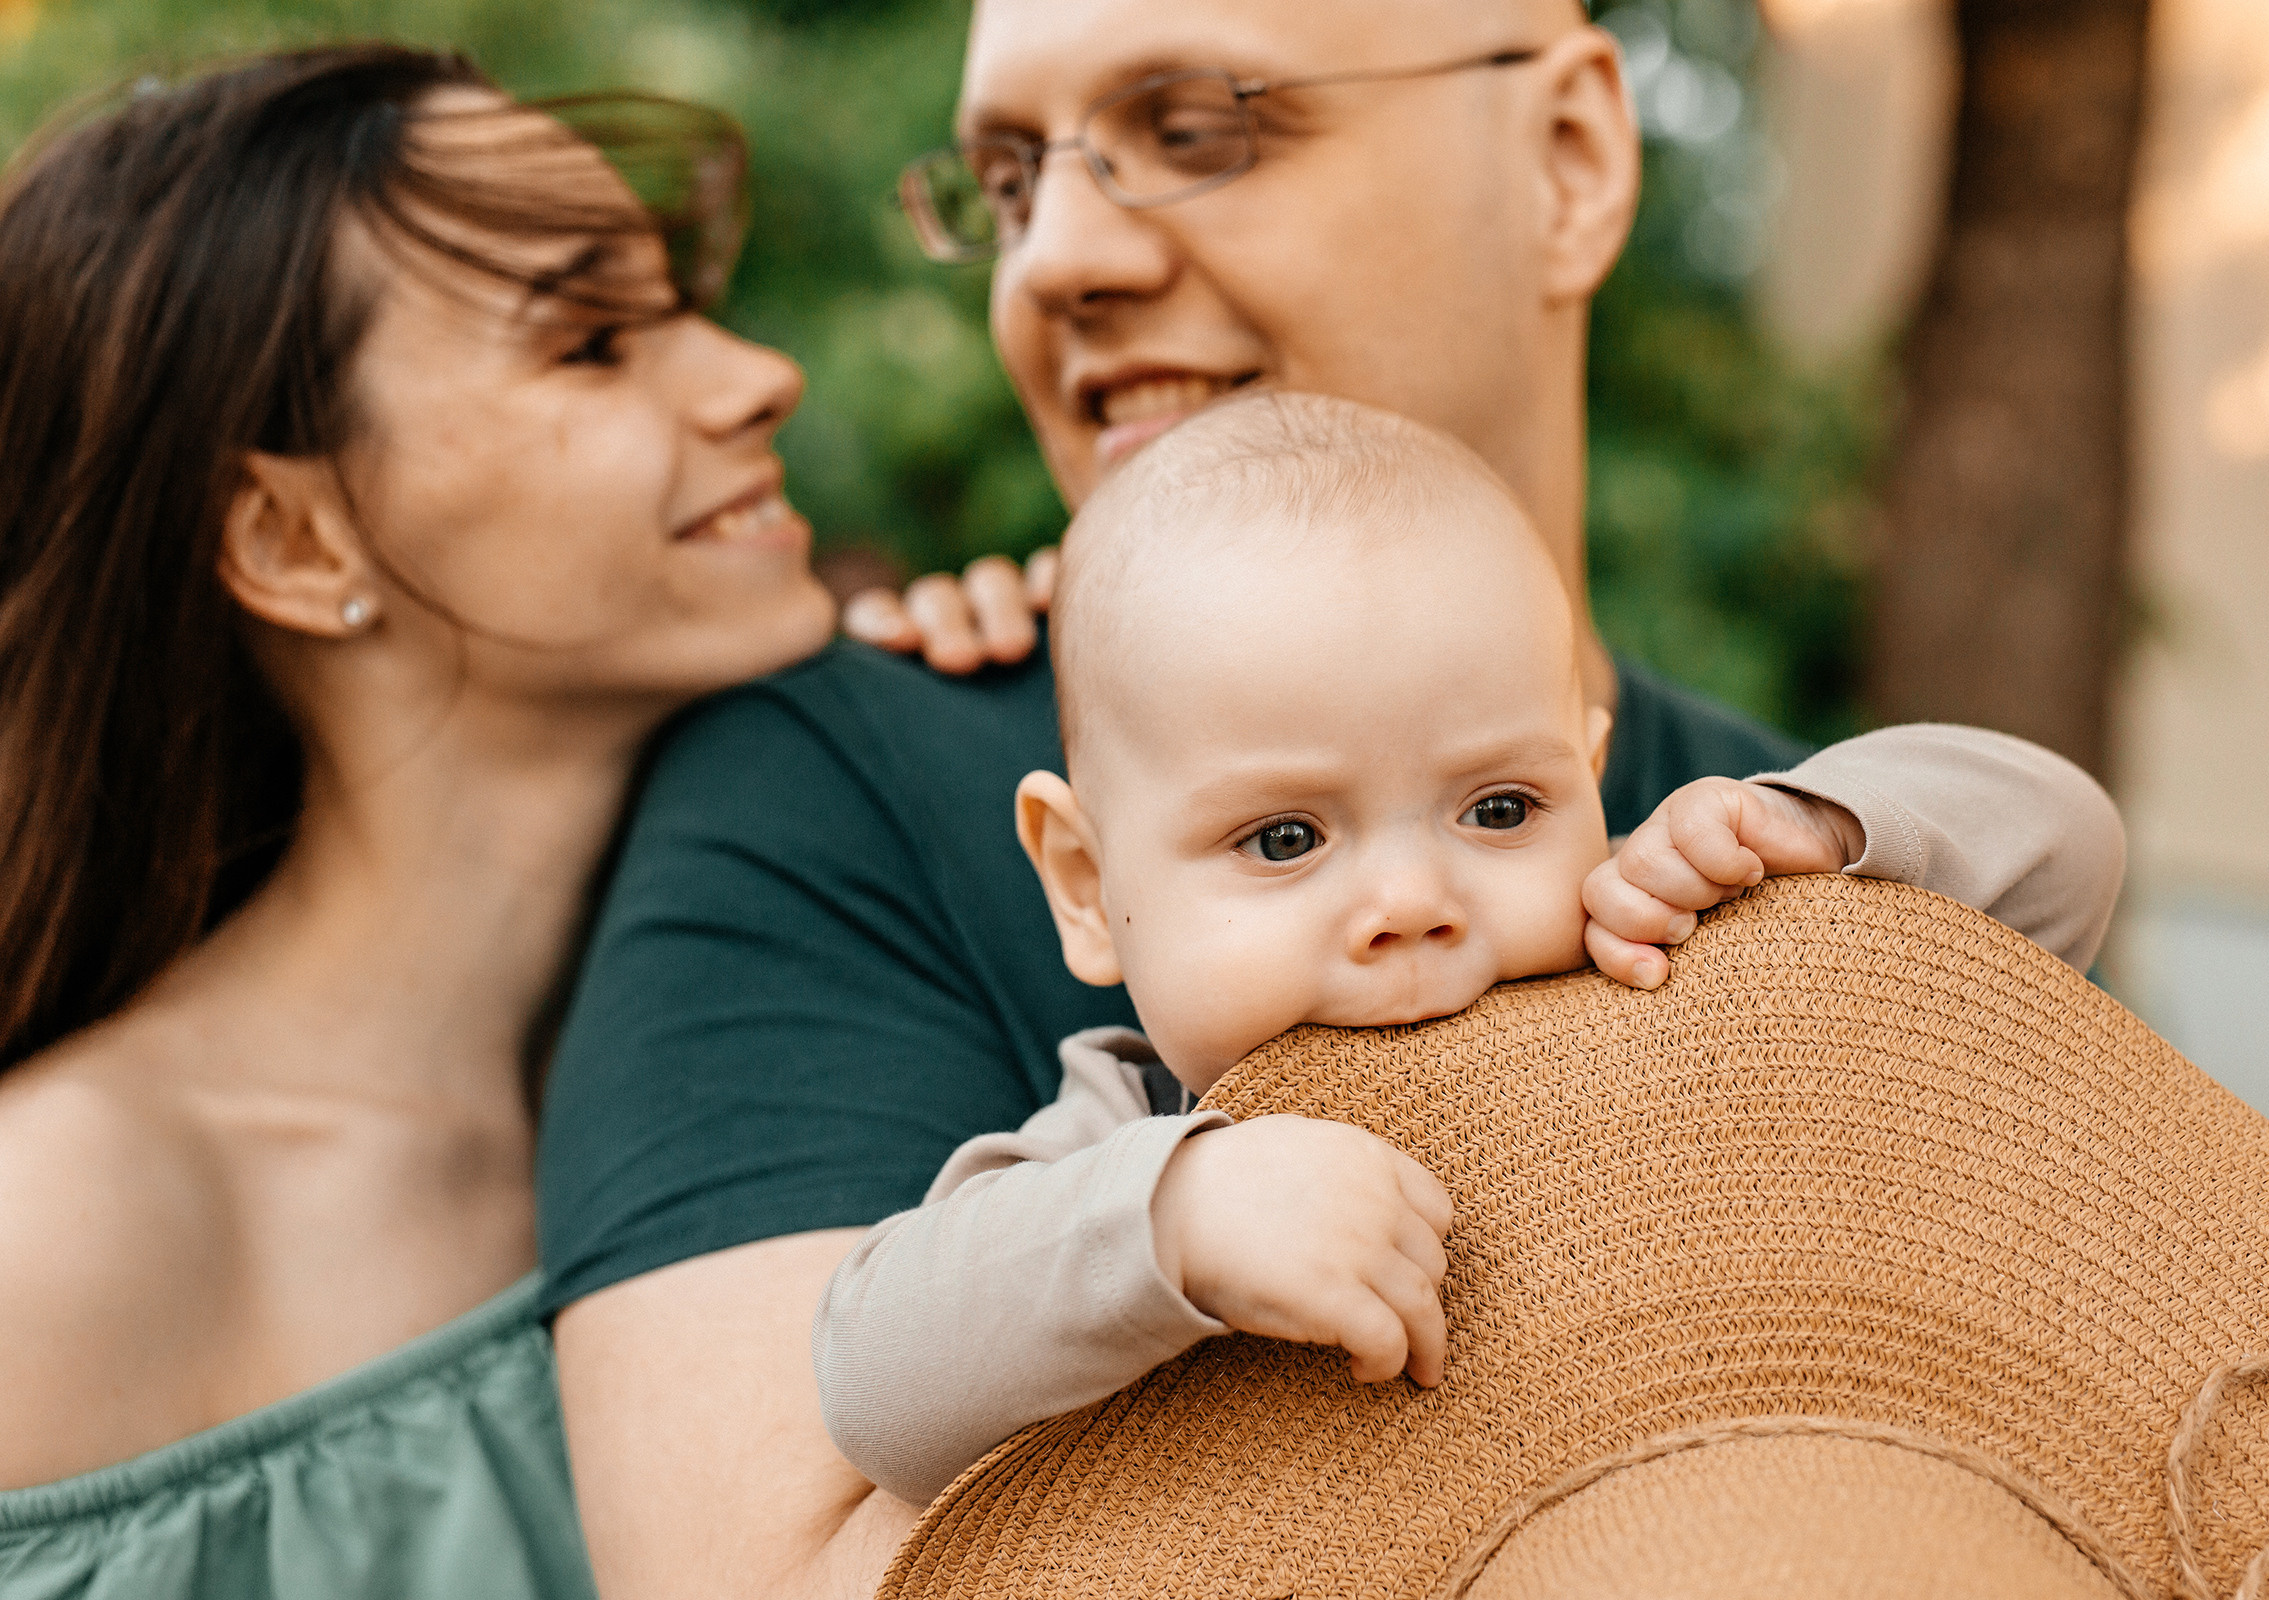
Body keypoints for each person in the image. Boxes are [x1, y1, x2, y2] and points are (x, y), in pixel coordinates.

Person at [532, 3, 1901, 1593]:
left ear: (1574, 159)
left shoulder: (1763, 832)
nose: (1052, 260)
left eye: (1198, 129)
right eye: (1007, 178)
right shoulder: (831, 788)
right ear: (1082, 876)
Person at [808, 394, 2126, 1506]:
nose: (1412, 901)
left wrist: (1807, 827)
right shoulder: (1135, 1127)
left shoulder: (1662, 981)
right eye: (1283, 840)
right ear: (1090, 887)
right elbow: (874, 1382)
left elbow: (2063, 852)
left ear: (1593, 785)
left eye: (1501, 812)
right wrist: (1178, 1217)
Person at [0, 45, 860, 1597]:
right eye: (595, 341)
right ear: (288, 532)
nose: (756, 376)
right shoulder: (58, 1234)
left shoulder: (814, 983)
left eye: (680, 303)